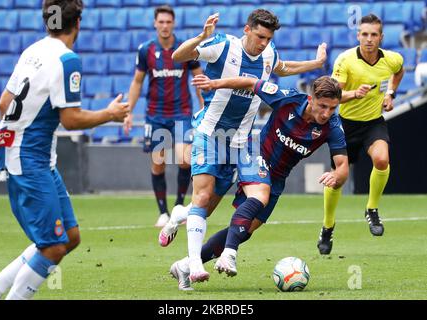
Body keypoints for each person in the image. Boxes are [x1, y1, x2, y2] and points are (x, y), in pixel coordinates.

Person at [167, 9, 327, 283]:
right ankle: (193, 265)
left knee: (219, 205)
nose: (264, 43)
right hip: (210, 133)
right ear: (247, 29)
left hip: (241, 143)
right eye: (260, 36)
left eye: (268, 38)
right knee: (203, 198)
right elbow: (177, 56)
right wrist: (200, 37)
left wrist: (316, 63)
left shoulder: (269, 53)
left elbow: (284, 67)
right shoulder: (221, 45)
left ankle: (181, 215)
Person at [0, 0, 129, 300]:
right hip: (29, 159)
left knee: (70, 237)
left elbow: (2, 105)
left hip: (26, 154)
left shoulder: (33, 51)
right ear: (78, 22)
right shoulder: (67, 59)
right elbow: (71, 118)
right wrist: (110, 114)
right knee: (53, 246)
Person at [168, 74, 348, 290]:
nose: (327, 113)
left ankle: (185, 265)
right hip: (254, 155)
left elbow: (343, 166)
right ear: (311, 99)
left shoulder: (333, 127)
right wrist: (215, 84)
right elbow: (251, 83)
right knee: (259, 196)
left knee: (247, 229)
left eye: (332, 108)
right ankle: (229, 254)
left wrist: (337, 176)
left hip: (278, 176)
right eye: (323, 106)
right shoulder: (287, 99)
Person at [317, 14, 405, 255]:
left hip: (372, 123)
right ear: (358, 36)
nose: (369, 39)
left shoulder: (392, 59)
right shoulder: (345, 60)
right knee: (338, 178)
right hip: (343, 125)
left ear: (381, 37)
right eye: (364, 34)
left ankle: (372, 209)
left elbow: (398, 71)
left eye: (373, 35)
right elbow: (330, 95)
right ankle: (327, 226)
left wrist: (391, 94)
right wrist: (355, 93)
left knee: (382, 159)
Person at [123, 5, 204, 228]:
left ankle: (178, 206)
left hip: (182, 113)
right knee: (158, 163)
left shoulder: (185, 49)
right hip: (156, 115)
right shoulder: (146, 50)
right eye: (161, 22)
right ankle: (163, 212)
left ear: (173, 23)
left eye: (169, 22)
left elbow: (199, 79)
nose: (165, 26)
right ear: (155, 24)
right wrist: (128, 111)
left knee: (184, 160)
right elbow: (137, 82)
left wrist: (203, 106)